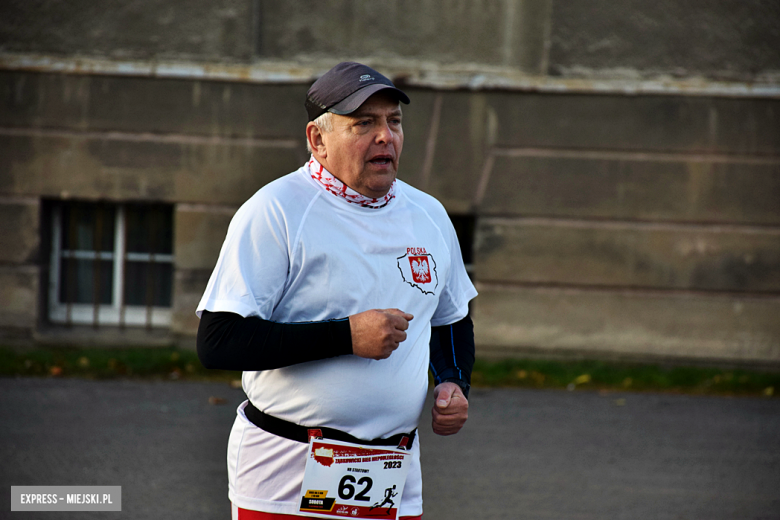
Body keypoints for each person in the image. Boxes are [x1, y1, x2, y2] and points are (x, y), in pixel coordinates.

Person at [196, 61, 477, 520]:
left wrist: (453, 381)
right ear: (317, 140)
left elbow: (450, 318)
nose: (385, 136)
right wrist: (346, 336)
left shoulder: (428, 214)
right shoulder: (276, 210)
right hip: (287, 466)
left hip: (392, 473)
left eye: (393, 121)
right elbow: (218, 342)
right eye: (363, 123)